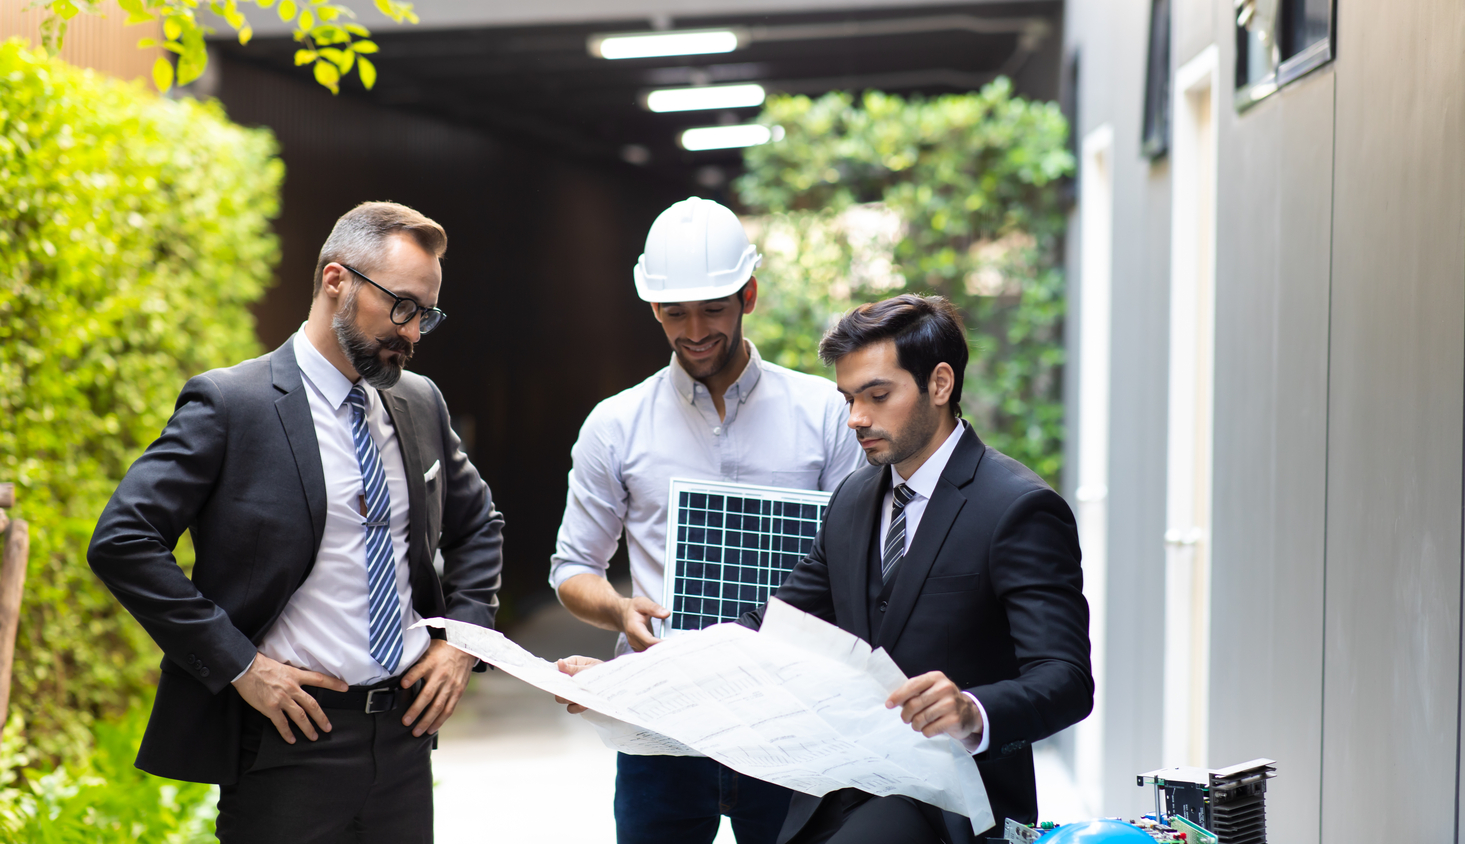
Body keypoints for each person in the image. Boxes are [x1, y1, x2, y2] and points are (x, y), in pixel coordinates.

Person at [88, 201, 504, 843]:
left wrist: (461, 643)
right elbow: (124, 540)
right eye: (401, 307)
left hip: (404, 744)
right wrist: (241, 666)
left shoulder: (419, 402)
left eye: (426, 314)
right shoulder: (232, 404)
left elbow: (479, 526)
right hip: (288, 745)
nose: (413, 333)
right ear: (336, 280)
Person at [549, 196, 864, 844]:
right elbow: (573, 569)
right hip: (662, 725)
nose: (694, 330)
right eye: (674, 312)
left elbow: (862, 564)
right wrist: (619, 612)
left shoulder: (826, 414)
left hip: (790, 727)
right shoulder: (616, 425)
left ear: (748, 294)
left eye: (713, 309)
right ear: (653, 308)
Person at [737, 293, 1093, 844]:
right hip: (840, 790)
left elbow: (1066, 681)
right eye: (849, 398)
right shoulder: (852, 499)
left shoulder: (1018, 508)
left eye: (877, 395)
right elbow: (771, 627)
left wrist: (972, 710)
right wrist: (635, 677)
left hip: (953, 807)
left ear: (940, 384)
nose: (857, 418)